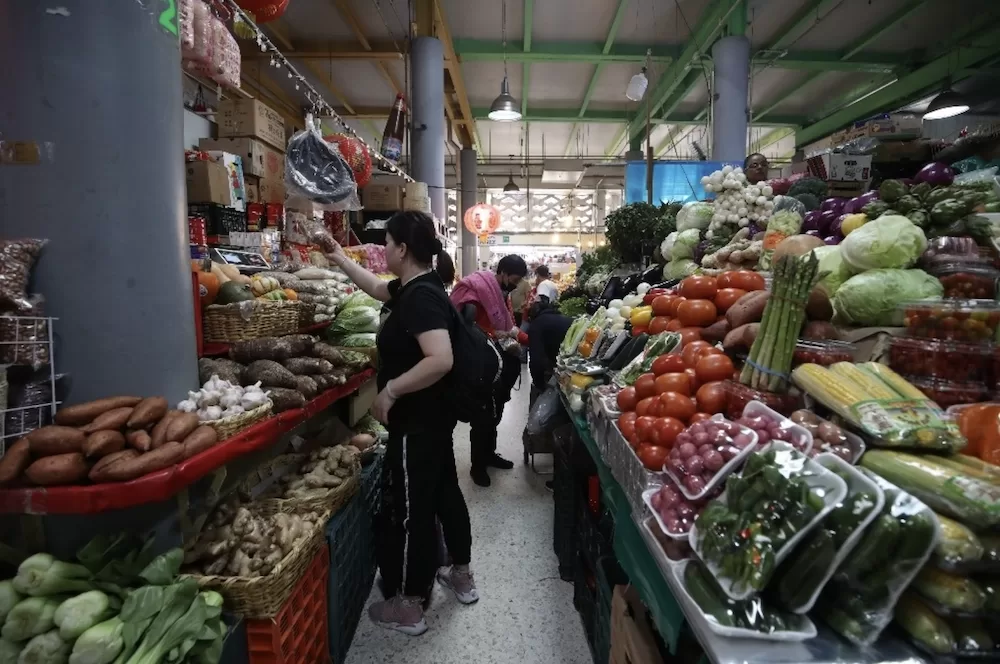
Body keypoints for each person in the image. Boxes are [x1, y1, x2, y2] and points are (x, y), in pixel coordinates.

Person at [327, 211, 476, 636]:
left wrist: (390, 391)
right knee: (445, 493)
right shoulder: (414, 287)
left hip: (417, 421)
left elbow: (440, 359)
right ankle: (460, 574)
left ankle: (409, 605)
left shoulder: (420, 298)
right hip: (434, 418)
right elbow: (376, 287)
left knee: (414, 511)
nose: (383, 250)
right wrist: (338, 256)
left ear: (403, 249)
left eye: (387, 243)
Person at [450, 254, 528, 487]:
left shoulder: (498, 294)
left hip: (499, 361)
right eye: (514, 279)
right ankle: (477, 466)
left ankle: (489, 454)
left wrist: (513, 336)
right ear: (503, 273)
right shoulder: (477, 291)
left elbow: (506, 325)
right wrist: (497, 335)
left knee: (496, 412)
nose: (515, 285)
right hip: (481, 363)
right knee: (483, 415)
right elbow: (469, 329)